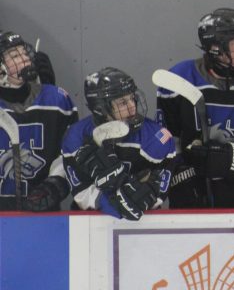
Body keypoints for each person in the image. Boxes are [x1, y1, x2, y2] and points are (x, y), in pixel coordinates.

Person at [156, 8, 234, 208]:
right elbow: (167, 139)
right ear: (216, 49)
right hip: (191, 195)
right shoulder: (178, 80)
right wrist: (182, 172)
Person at [62, 67, 175, 220]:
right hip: (91, 227)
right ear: (100, 108)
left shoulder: (157, 137)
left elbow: (158, 191)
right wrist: (112, 203)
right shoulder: (76, 136)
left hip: (146, 226)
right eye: (122, 102)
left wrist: (142, 198)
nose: (132, 106)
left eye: (131, 98)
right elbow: (82, 192)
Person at [0, 31, 78, 211]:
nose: (24, 59)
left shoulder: (57, 100)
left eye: (23, 52)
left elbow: (72, 152)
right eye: (14, 56)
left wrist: (56, 184)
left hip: (43, 215)